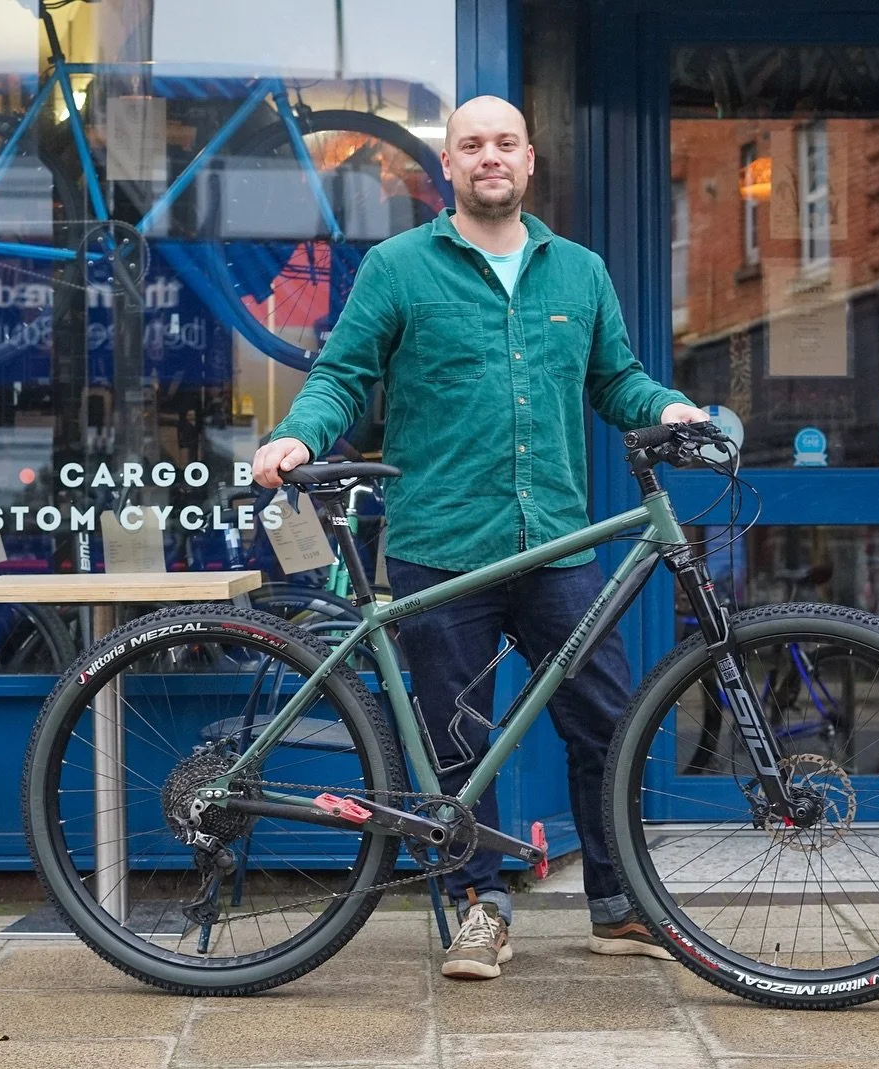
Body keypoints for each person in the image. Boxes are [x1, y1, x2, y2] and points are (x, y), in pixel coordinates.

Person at [252, 95, 705, 980]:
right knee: (456, 743)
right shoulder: (398, 267)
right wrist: (300, 434)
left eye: (504, 143)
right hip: (441, 541)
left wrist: (669, 406)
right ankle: (479, 908)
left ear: (529, 160)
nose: (489, 156)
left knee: (608, 725)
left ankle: (618, 904)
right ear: (448, 166)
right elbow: (342, 373)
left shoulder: (579, 271)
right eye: (471, 144)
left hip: (556, 545)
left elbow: (616, 379)